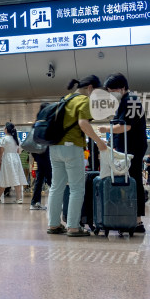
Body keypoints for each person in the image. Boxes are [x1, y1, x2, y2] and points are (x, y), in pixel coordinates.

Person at [47, 76, 108, 236]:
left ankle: (53, 224)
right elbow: (83, 123)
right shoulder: (83, 100)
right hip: (72, 148)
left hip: (55, 147)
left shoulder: (64, 99)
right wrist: (98, 142)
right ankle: (73, 227)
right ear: (90, 88)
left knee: (56, 187)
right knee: (76, 188)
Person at [99, 73, 148, 233]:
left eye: (111, 90)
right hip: (126, 148)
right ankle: (127, 218)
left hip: (132, 149)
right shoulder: (125, 101)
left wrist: (105, 129)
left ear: (121, 88)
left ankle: (137, 221)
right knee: (126, 182)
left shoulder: (131, 101)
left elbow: (126, 126)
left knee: (133, 182)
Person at [0, 122, 27, 204]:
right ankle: (19, 198)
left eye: (4, 128)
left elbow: (1, 152)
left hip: (7, 159)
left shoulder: (4, 139)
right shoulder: (17, 139)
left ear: (6, 129)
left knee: (4, 177)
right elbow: (18, 151)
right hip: (16, 159)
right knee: (17, 177)